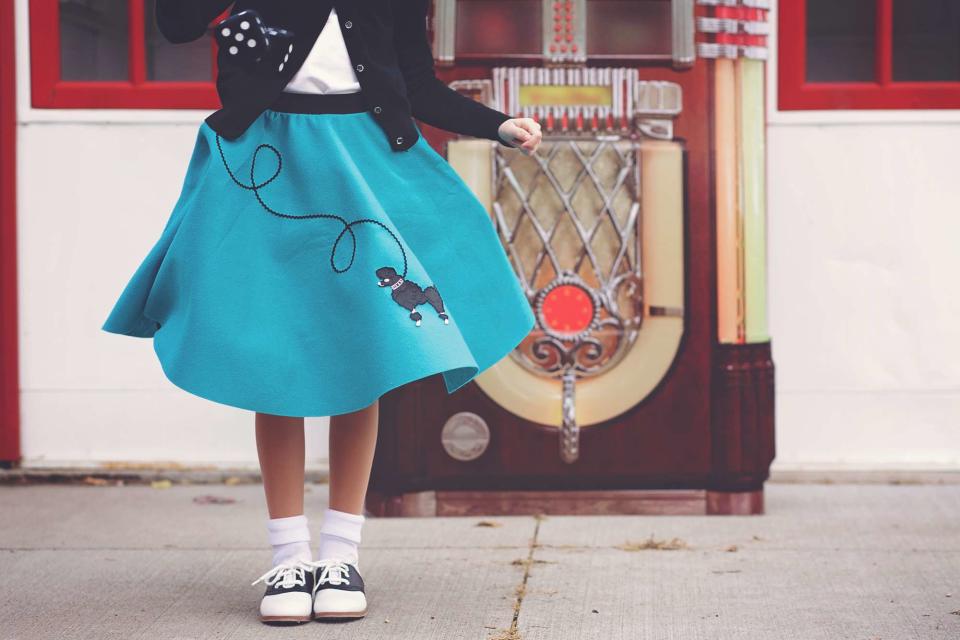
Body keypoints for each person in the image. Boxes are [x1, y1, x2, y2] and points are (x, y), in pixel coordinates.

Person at [101, 0, 541, 626]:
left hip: (362, 164)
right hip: (267, 165)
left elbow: (417, 87)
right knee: (273, 356)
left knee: (360, 354)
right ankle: (288, 557)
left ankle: (340, 554)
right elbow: (175, 23)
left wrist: (497, 125)